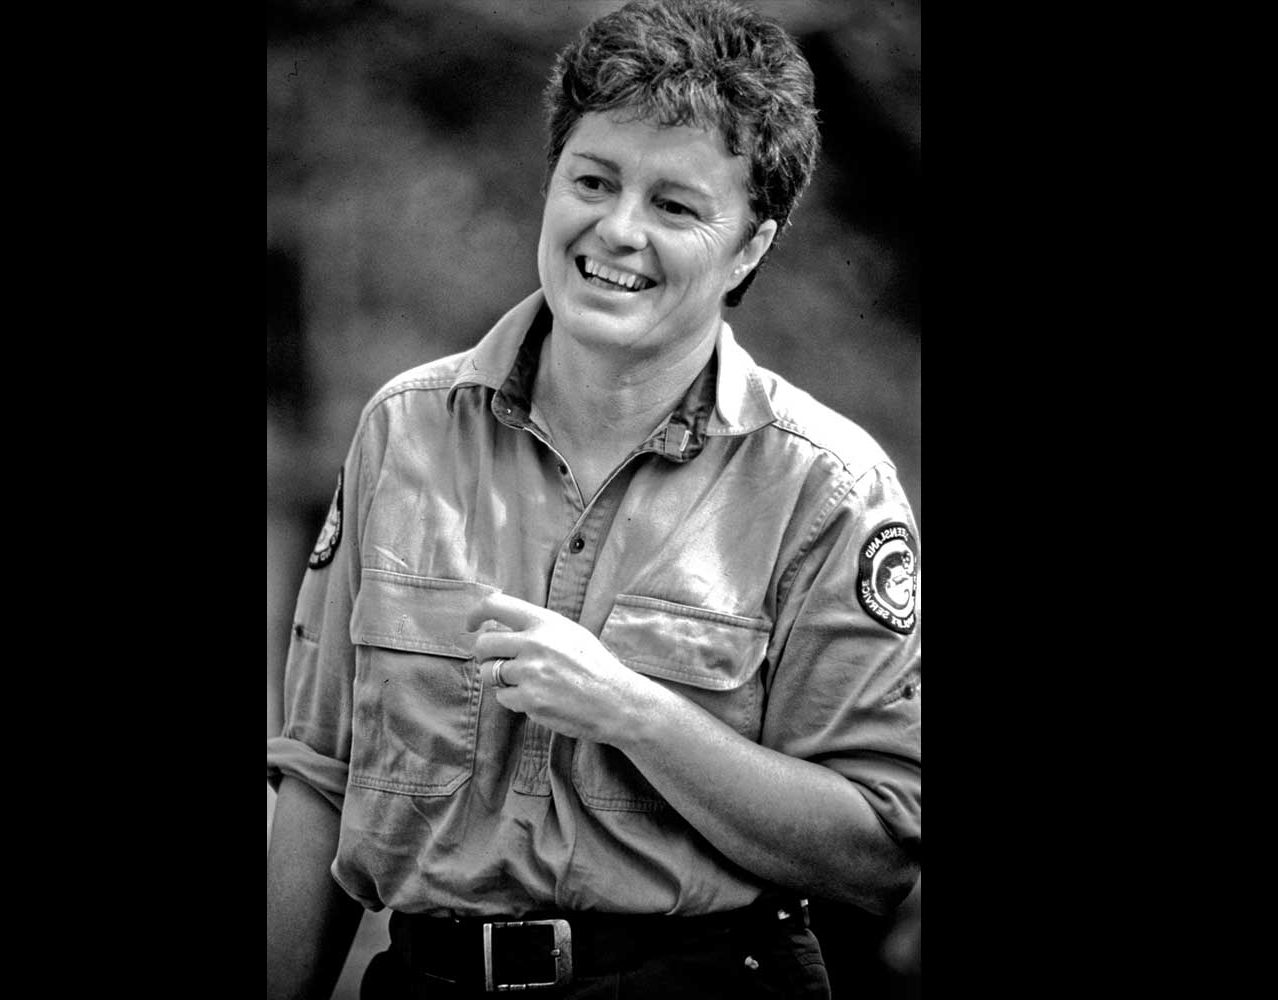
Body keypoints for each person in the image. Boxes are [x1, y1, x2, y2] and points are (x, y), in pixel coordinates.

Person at [266, 1, 921, 996]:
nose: (616, 229)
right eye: (593, 180)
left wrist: (636, 714)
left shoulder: (826, 488)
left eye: (675, 204)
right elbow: (318, 775)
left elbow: (877, 848)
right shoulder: (404, 429)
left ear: (749, 246)